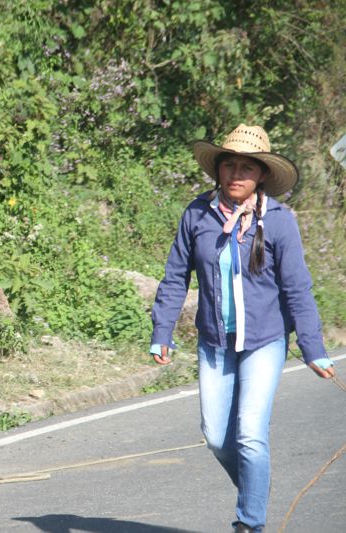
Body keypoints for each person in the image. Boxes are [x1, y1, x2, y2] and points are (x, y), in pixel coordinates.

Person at [149, 124, 336, 533]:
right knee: (216, 436)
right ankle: (256, 485)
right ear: (217, 170)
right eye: (228, 165)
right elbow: (175, 277)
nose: (236, 174)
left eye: (246, 167)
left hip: (264, 343)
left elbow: (297, 288)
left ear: (262, 174)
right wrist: (162, 332)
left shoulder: (280, 221)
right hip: (215, 343)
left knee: (250, 435)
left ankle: (249, 522)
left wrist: (312, 347)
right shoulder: (197, 214)